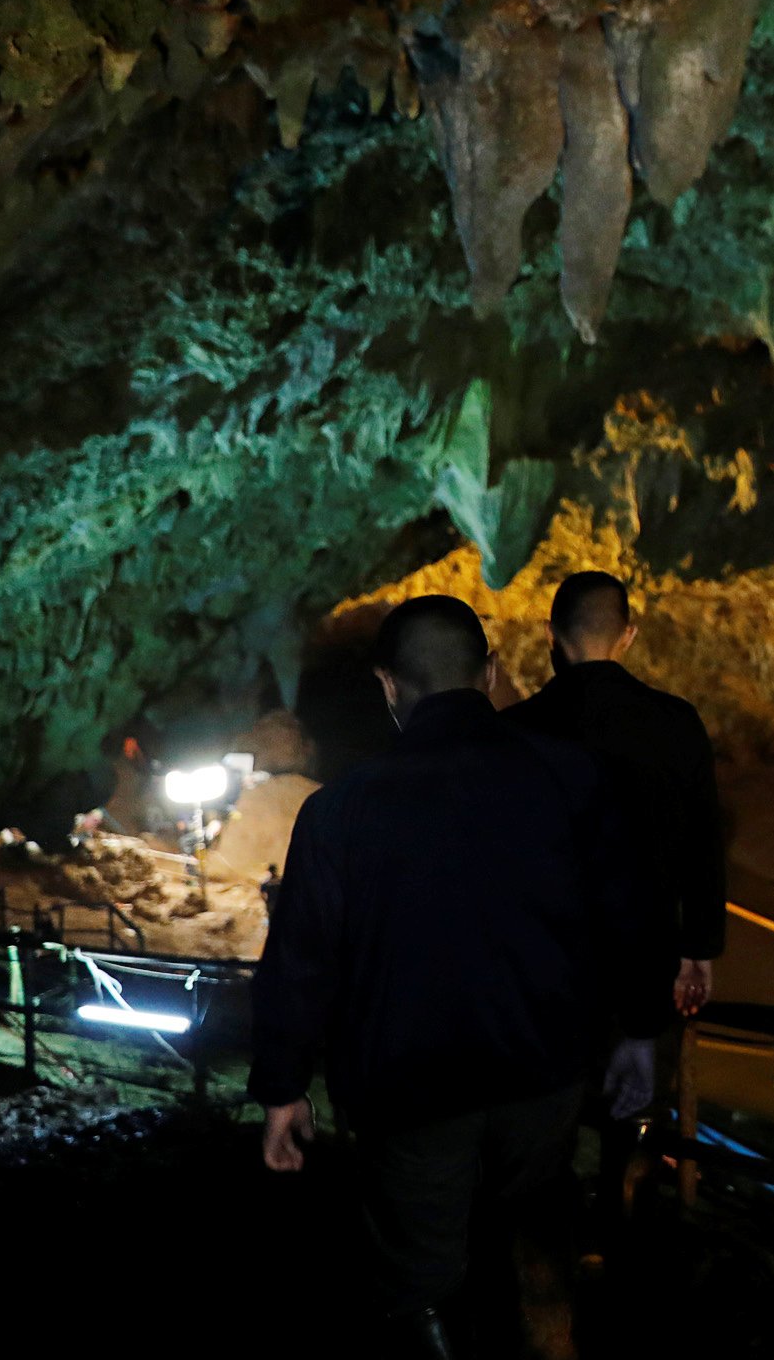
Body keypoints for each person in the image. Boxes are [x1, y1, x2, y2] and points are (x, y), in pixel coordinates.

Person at [252, 596, 659, 1357]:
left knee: (421, 1275)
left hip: (410, 1086)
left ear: (387, 684)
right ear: (492, 672)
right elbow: (627, 916)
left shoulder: (341, 810)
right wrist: (638, 1031)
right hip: (544, 1069)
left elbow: (303, 960)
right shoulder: (572, 776)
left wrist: (282, 1085)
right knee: (527, 1239)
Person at [509, 572, 727, 1023]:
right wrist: (699, 950)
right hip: (644, 969)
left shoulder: (512, 732)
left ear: (550, 633)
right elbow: (704, 845)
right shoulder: (676, 722)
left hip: (539, 972)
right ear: (628, 637)